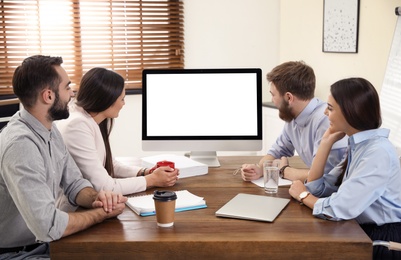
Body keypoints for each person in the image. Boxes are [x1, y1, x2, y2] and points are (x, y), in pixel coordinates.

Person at [0, 55, 127, 259]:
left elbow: (75, 183)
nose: (72, 93)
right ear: (48, 96)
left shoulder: (49, 130)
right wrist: (100, 214)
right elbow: (48, 225)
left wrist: (97, 199)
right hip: (19, 253)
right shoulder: (21, 145)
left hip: (44, 244)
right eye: (67, 87)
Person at [289, 77, 401, 260]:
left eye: (330, 108)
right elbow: (319, 188)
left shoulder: (377, 153)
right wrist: (325, 143)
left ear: (351, 111)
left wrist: (303, 196)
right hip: (360, 230)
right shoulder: (360, 146)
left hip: (381, 241)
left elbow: (338, 209)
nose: (325, 112)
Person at [56, 67, 179, 202]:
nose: (124, 104)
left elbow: (109, 165)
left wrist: (144, 172)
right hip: (78, 209)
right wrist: (152, 180)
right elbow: (106, 187)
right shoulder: (77, 125)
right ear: (106, 100)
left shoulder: (91, 119)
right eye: (122, 99)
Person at [241, 61, 347, 182]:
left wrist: (284, 170)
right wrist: (260, 168)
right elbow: (277, 151)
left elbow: (328, 177)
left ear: (289, 98)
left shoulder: (326, 121)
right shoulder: (293, 116)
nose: (272, 100)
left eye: (273, 95)